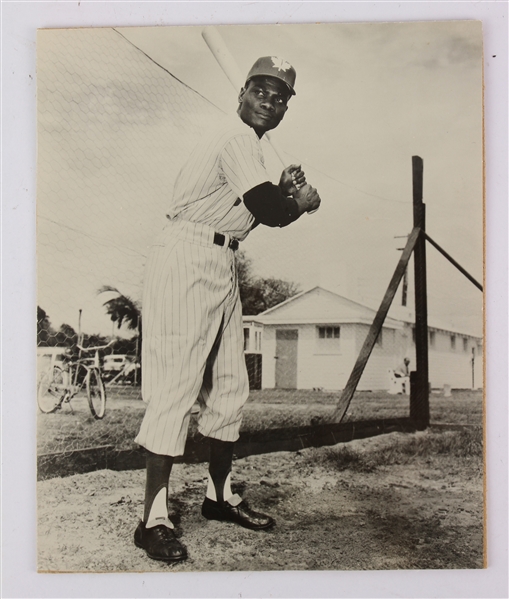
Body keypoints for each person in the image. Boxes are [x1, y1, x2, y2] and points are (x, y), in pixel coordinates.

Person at [133, 56, 321, 563]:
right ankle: (151, 520)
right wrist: (299, 202)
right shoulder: (234, 138)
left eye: (280, 97)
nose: (270, 101)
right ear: (241, 93)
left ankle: (219, 496)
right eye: (261, 91)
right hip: (187, 254)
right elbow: (269, 212)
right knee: (176, 386)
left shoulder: (252, 151)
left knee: (229, 383)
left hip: (222, 257)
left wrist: (284, 191)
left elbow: (251, 206)